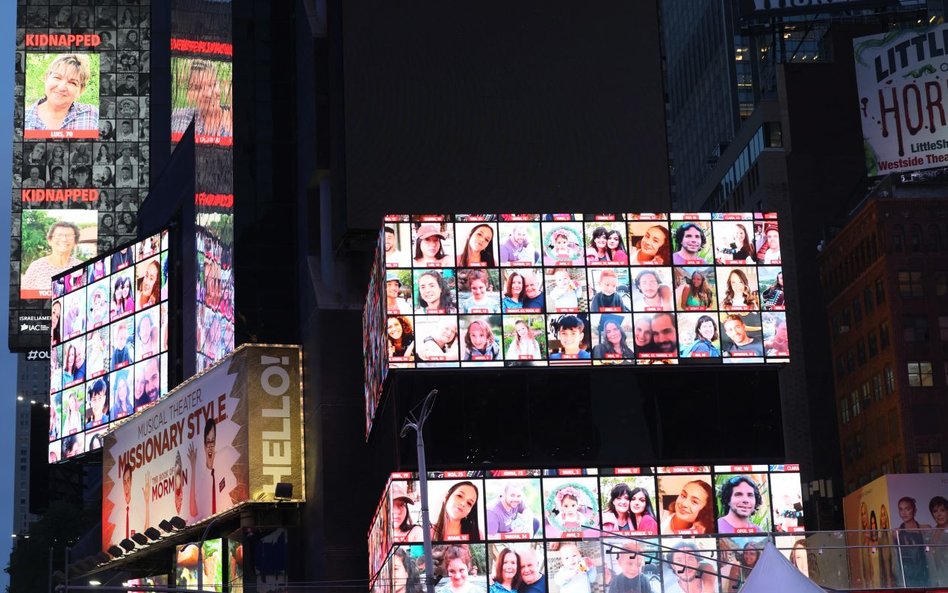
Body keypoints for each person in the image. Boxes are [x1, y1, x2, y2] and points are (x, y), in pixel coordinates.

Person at [25, 54, 99, 133]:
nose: (61, 87)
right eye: (57, 77)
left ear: (81, 90)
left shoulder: (91, 115)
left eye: (72, 83)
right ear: (46, 78)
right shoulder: (24, 118)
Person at [171, 60, 234, 138]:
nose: (207, 94)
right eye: (197, 88)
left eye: (212, 85)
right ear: (189, 94)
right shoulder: (180, 118)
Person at [22, 222, 82, 293]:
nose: (64, 239)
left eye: (69, 236)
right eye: (59, 235)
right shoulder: (36, 267)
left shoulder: (82, 267)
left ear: (75, 242)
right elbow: (24, 295)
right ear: (49, 240)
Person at [188, 416, 224, 519]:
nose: (210, 446)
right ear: (204, 446)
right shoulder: (203, 479)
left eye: (213, 441)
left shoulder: (225, 459)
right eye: (208, 442)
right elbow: (193, 511)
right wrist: (193, 467)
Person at [897, 496, 931, 587]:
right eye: (901, 509)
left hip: (925, 574)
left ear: (914, 510)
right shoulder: (896, 533)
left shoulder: (925, 529)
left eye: (907, 509)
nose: (904, 513)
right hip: (905, 576)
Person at [929, 496, 948, 585]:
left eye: (942, 510)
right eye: (935, 511)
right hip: (934, 582)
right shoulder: (930, 533)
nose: (939, 514)